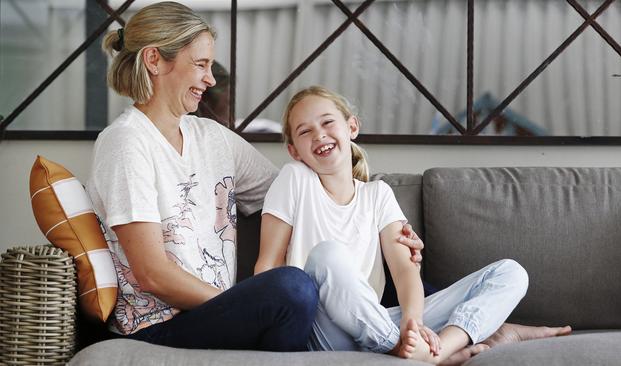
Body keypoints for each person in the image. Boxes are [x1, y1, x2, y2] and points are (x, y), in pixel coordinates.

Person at [86, 1, 424, 351]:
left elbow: (302, 193)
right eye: (200, 64)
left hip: (223, 314)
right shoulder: (126, 143)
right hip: (159, 328)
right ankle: (395, 346)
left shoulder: (213, 138)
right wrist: (242, 302)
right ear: (154, 60)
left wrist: (387, 231)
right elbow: (151, 273)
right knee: (292, 288)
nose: (210, 78)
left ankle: (416, 338)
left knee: (420, 290)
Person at [255, 86, 571, 364]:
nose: (319, 135)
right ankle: (416, 353)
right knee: (327, 255)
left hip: (375, 321)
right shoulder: (294, 178)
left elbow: (405, 271)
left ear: (351, 127)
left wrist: (412, 323)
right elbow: (267, 267)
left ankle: (437, 349)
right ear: (294, 151)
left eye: (327, 122)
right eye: (305, 131)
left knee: (510, 272)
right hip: (321, 329)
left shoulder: (377, 194)